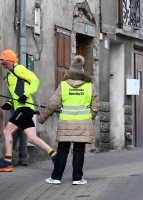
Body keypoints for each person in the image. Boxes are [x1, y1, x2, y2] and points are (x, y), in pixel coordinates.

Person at [38, 55, 100, 185]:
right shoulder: (89, 86)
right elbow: (96, 106)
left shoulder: (64, 85)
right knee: (79, 150)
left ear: (70, 72)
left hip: (66, 123)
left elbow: (52, 104)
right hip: (83, 123)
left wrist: (42, 118)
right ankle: (77, 178)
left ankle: (56, 177)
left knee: (62, 150)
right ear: (82, 72)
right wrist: (90, 118)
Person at [0, 49, 57, 172]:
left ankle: (7, 162)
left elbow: (35, 81)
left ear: (10, 60)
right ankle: (54, 155)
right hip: (23, 108)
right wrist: (10, 103)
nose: (1, 63)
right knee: (31, 138)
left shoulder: (19, 69)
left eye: (3, 60)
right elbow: (16, 93)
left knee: (7, 131)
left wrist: (26, 94)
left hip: (25, 108)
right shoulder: (10, 74)